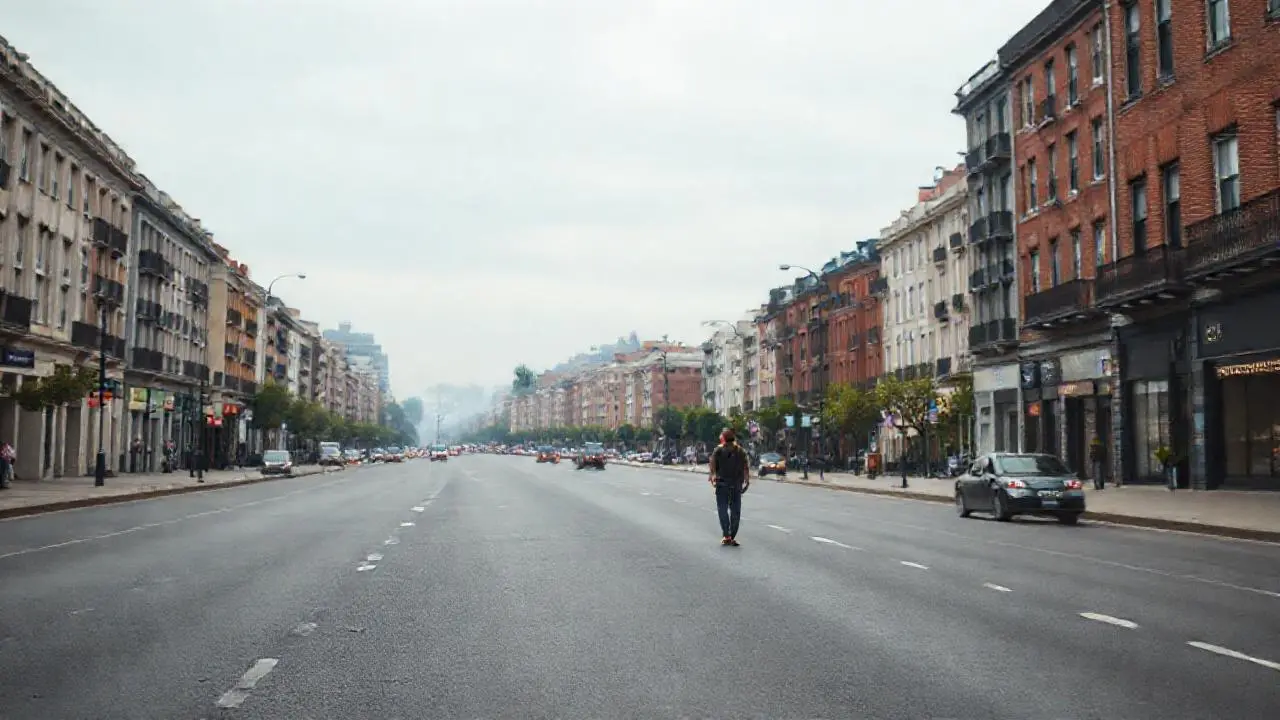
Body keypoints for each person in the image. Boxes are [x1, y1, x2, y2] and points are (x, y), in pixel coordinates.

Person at [708, 428, 750, 546]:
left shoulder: (719, 450)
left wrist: (713, 476)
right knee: (735, 512)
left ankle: (727, 535)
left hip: (723, 485)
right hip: (734, 485)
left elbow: (712, 466)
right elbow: (746, 467)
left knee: (723, 510)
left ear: (724, 438)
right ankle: (730, 536)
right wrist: (747, 481)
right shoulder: (740, 451)